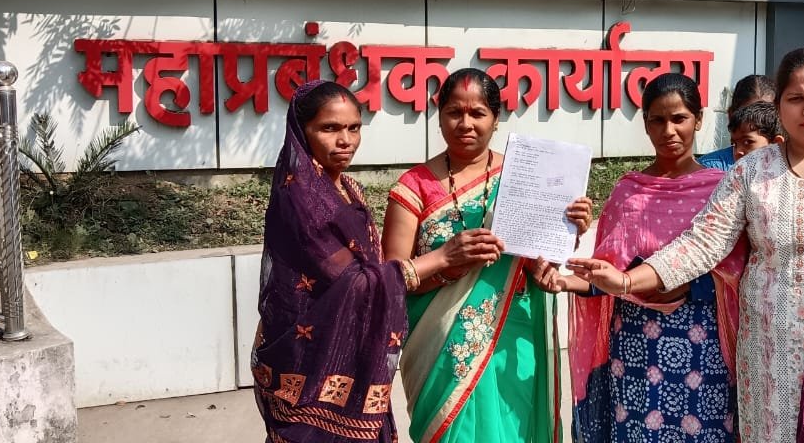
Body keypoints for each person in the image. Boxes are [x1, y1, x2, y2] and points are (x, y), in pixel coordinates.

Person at [570, 48, 804, 443]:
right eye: (796, 98)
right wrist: (626, 281)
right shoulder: (752, 171)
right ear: (779, 107)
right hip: (770, 353)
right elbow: (702, 242)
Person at [381, 68, 593, 443]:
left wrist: (569, 230)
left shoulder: (527, 176)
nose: (465, 124)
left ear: (496, 119)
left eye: (477, 113)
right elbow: (392, 279)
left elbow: (541, 258)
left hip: (513, 337)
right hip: (440, 350)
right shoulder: (414, 187)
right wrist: (447, 262)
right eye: (454, 112)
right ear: (439, 116)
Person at [561, 73, 745, 443]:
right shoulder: (628, 193)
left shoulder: (721, 191)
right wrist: (563, 280)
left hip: (703, 343)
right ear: (645, 124)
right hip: (635, 345)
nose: (669, 131)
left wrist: (689, 286)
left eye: (679, 118)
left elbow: (739, 271)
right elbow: (606, 274)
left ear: (698, 120)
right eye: (657, 120)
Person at [252, 80, 412, 443]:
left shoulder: (347, 188)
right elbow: (353, 280)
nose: (345, 140)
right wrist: (431, 264)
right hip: (307, 358)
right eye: (330, 128)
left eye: (354, 128)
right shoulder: (299, 198)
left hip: (350, 355)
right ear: (301, 131)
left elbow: (369, 268)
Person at [698, 74, 776, 171]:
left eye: (768, 115)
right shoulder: (709, 170)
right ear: (731, 115)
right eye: (746, 114)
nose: (757, 120)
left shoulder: (790, 166)